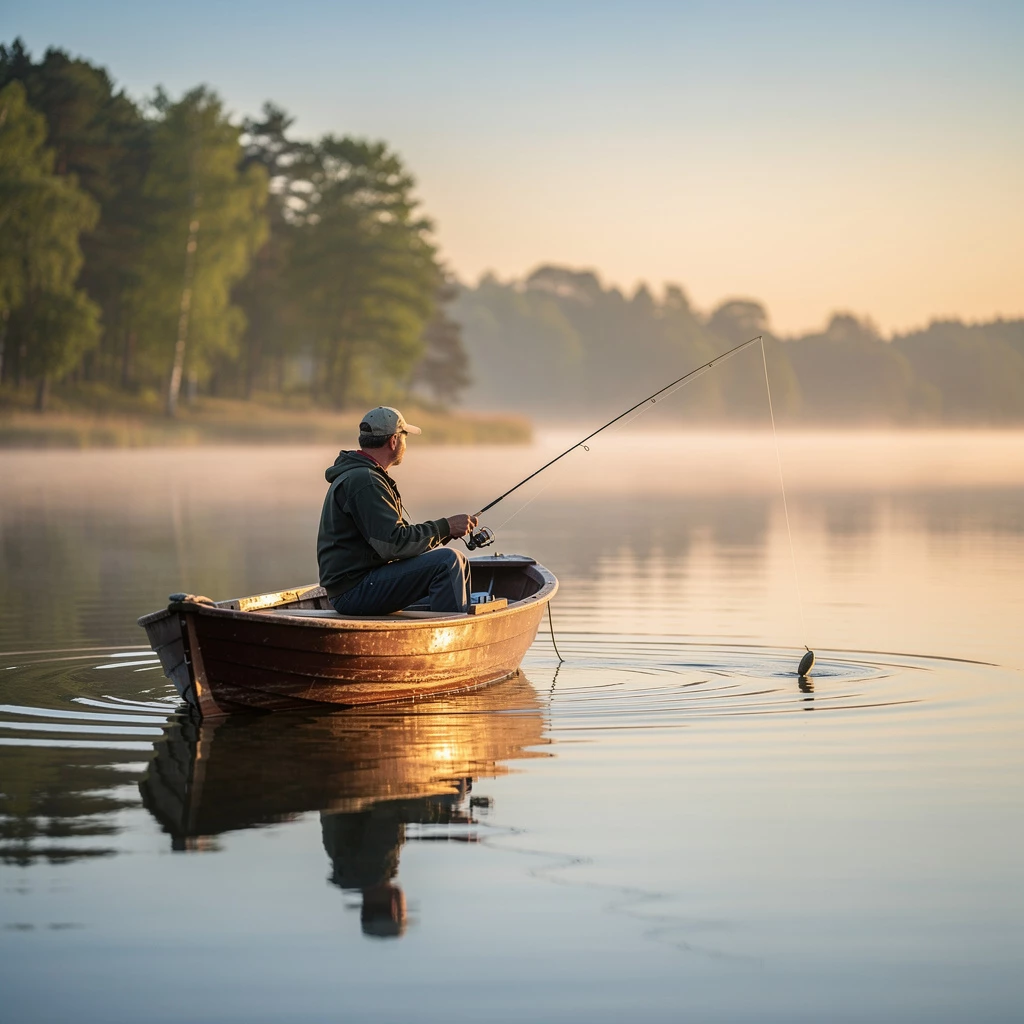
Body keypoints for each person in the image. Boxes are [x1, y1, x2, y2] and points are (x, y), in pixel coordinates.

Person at [317, 406, 478, 615]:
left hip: (359, 583)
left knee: (458, 564)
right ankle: (452, 639)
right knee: (449, 562)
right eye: (404, 436)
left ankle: (452, 628)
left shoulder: (363, 476)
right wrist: (446, 527)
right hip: (353, 591)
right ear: (393, 441)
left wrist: (445, 533)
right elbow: (394, 544)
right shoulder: (365, 481)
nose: (405, 443)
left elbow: (391, 542)